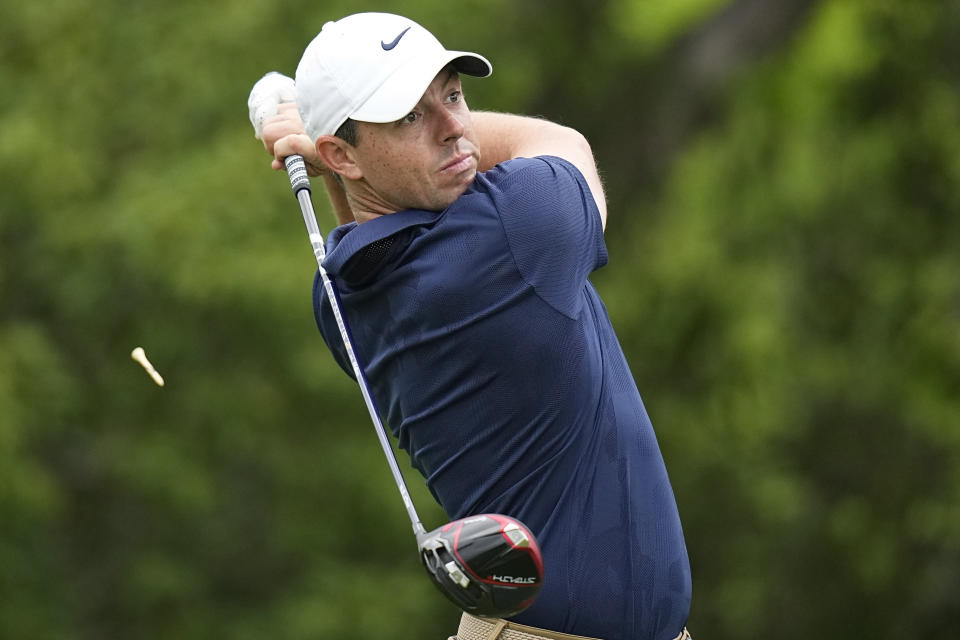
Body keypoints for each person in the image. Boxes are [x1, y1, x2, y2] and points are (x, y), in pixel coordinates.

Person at [258, 12, 692, 640]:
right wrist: (319, 142)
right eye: (411, 114)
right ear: (341, 154)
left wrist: (333, 153)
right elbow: (561, 140)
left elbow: (366, 231)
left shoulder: (336, 301)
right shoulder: (514, 232)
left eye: (454, 95)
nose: (455, 127)